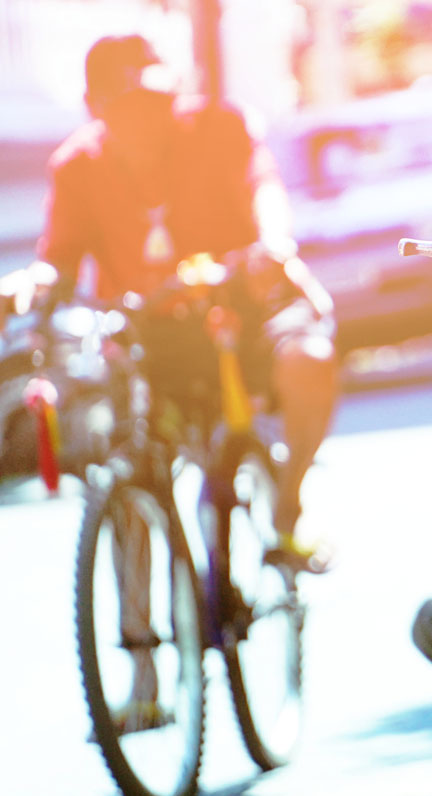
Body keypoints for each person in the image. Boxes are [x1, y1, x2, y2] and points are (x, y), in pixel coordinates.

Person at [3, 33, 338, 569]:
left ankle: (289, 503)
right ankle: (138, 641)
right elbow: (57, 260)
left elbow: (264, 188)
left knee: (311, 362)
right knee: (127, 464)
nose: (150, 116)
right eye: (131, 105)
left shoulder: (221, 128)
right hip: (149, 336)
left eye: (159, 99)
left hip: (241, 309)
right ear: (95, 109)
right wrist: (29, 285)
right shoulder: (76, 167)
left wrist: (275, 245)